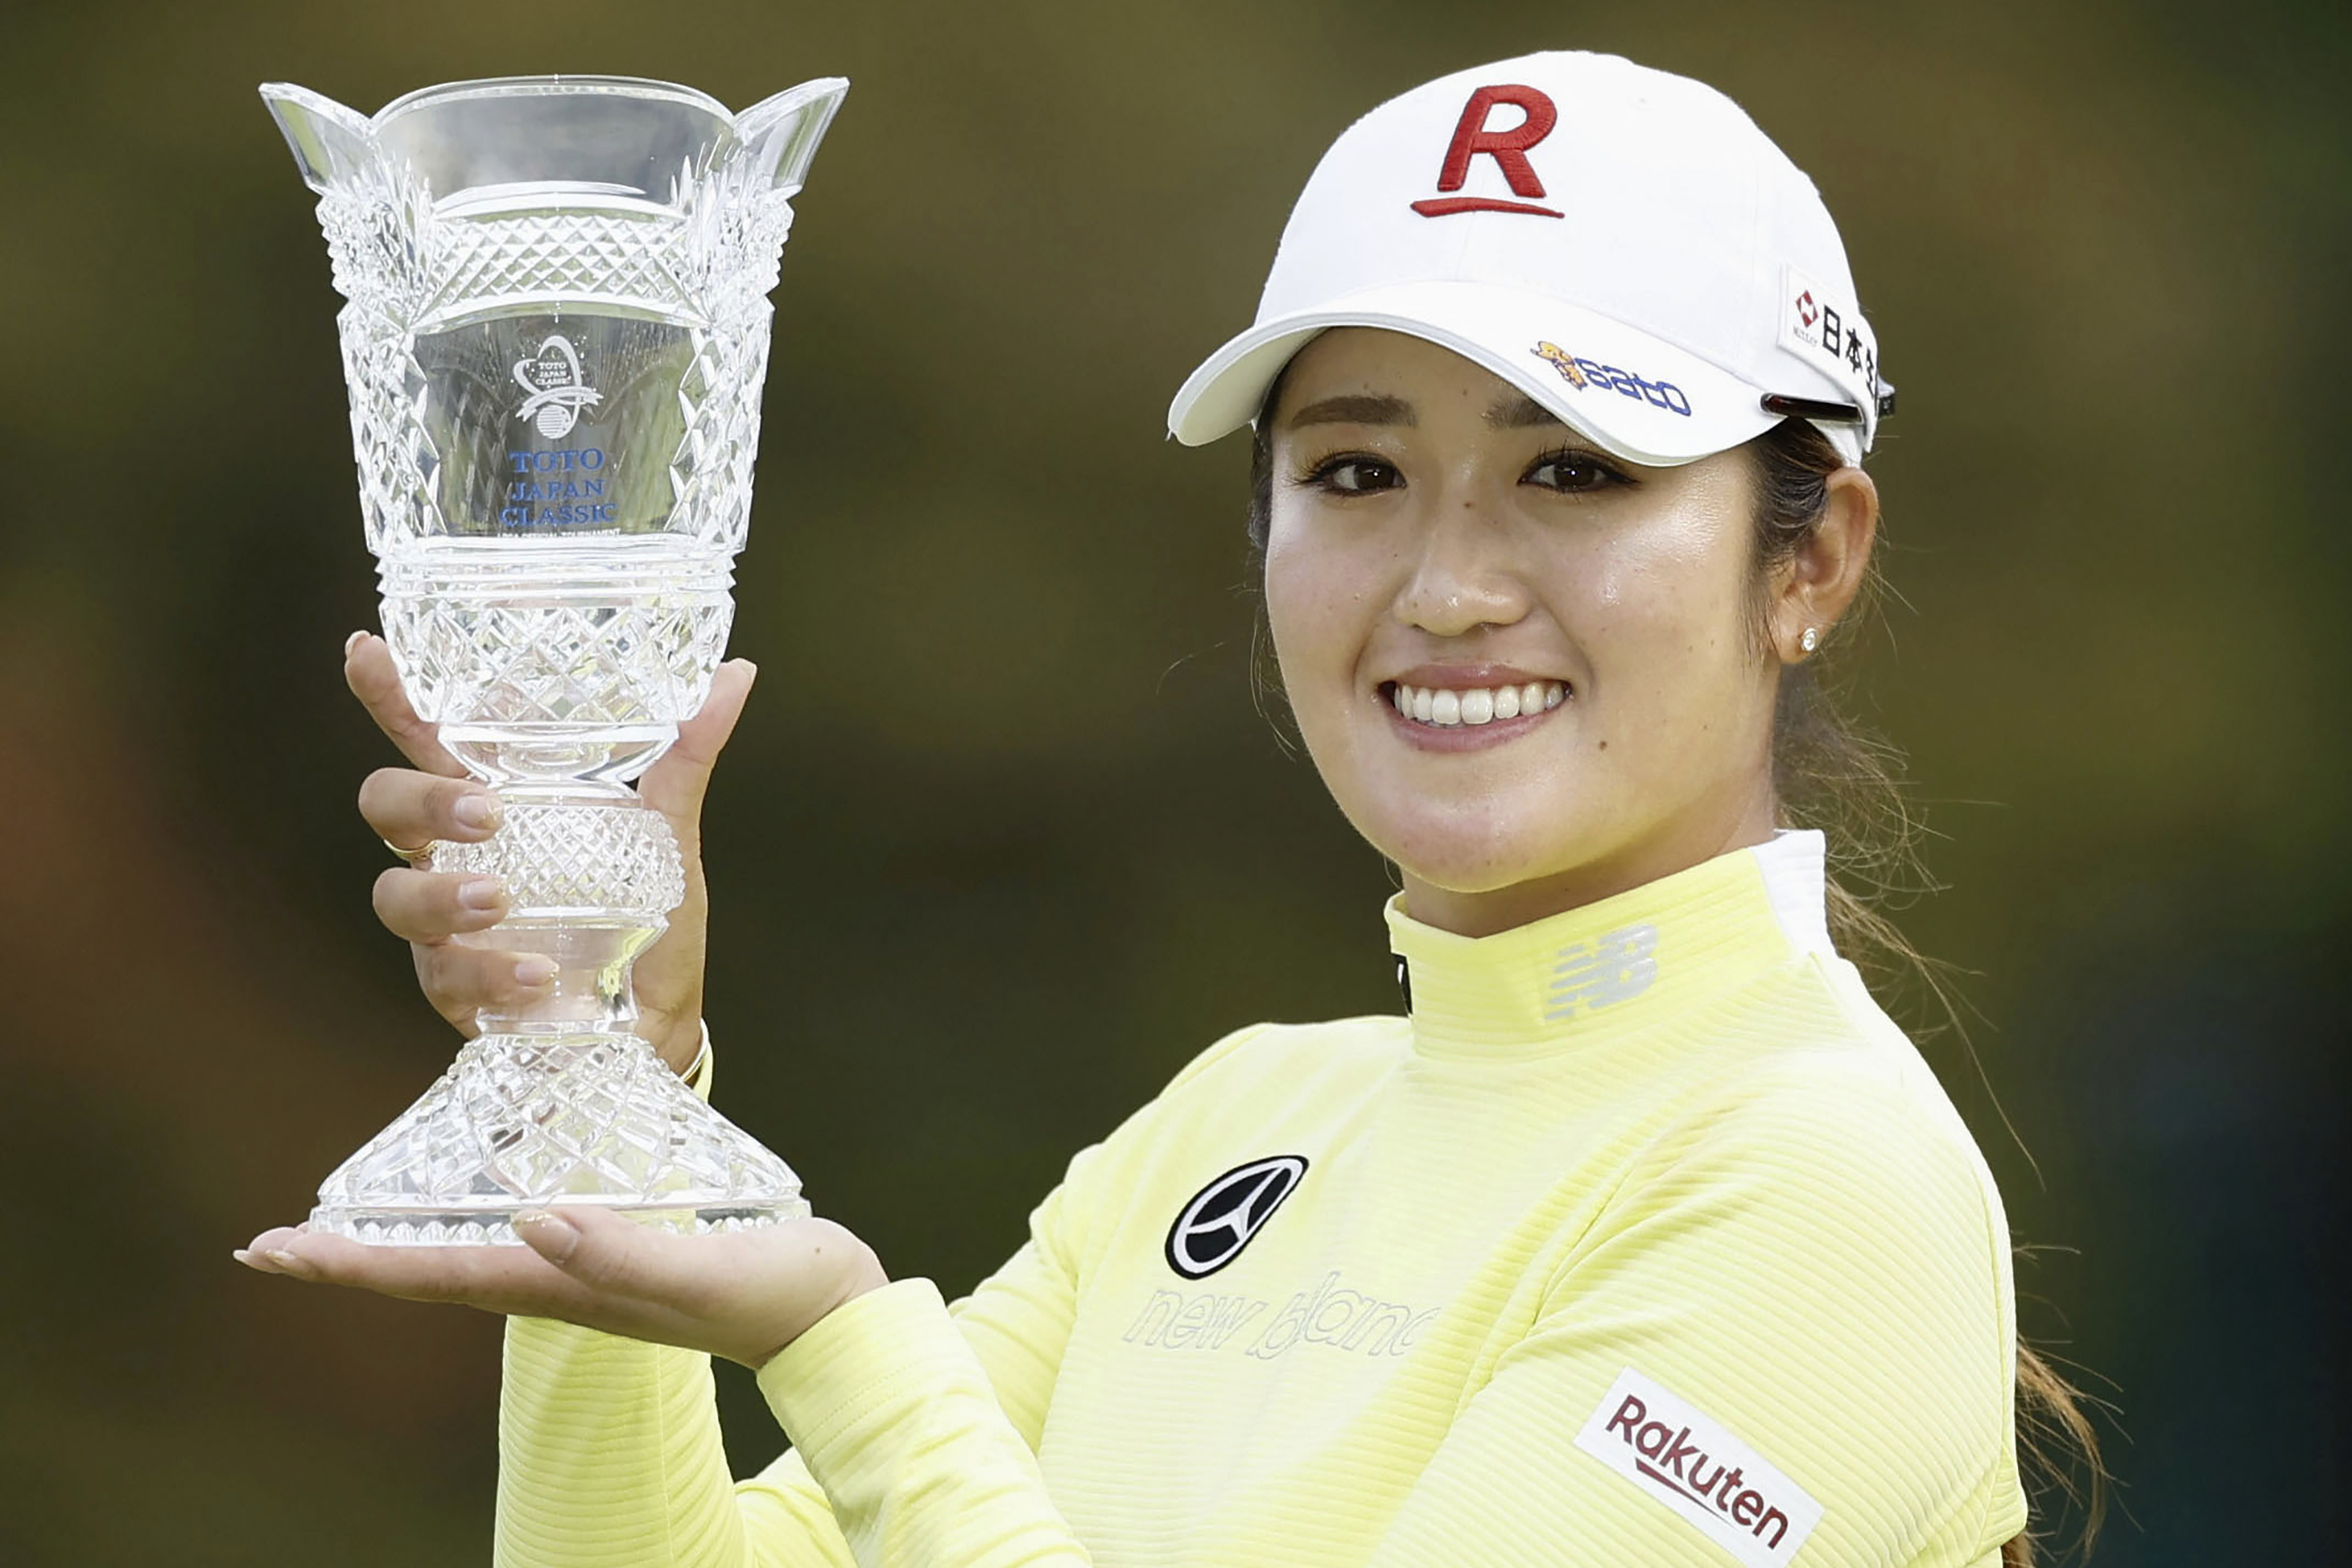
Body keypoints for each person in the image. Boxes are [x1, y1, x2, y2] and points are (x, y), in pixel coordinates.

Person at [237, 50, 2101, 1567]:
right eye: (1358, 467)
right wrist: (606, 1090)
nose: (1447, 584)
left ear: (1812, 559)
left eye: (1577, 470)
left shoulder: (1824, 1178)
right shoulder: (1236, 1122)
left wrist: (834, 1337)